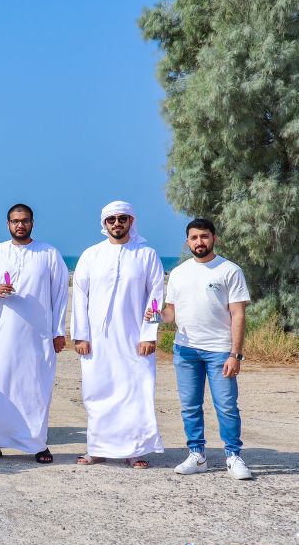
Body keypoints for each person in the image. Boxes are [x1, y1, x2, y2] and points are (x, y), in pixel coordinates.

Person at [151, 218, 253, 480]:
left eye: (204, 236)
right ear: (188, 241)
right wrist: (155, 316)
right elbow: (171, 313)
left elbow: (238, 314)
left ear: (214, 238)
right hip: (185, 350)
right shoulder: (178, 273)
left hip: (220, 351)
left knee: (227, 406)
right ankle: (197, 456)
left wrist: (235, 354)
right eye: (194, 237)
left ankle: (233, 456)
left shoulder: (230, 270)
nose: (200, 242)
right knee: (189, 406)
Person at [0, 205, 68, 464]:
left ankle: (37, 443)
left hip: (38, 337)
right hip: (2, 336)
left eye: (24, 221)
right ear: (8, 224)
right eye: (14, 221)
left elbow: (59, 296)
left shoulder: (49, 253)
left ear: (32, 222)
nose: (19, 225)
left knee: (35, 388)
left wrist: (58, 332)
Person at [72, 201, 165, 467]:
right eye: (111, 219)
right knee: (97, 391)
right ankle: (98, 448)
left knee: (135, 391)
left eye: (122, 218)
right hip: (97, 340)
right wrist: (80, 334)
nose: (117, 223)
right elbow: (80, 296)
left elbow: (156, 296)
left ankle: (135, 449)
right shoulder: (91, 255)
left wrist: (149, 334)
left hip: (134, 338)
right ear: (104, 224)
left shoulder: (146, 254)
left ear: (131, 221)